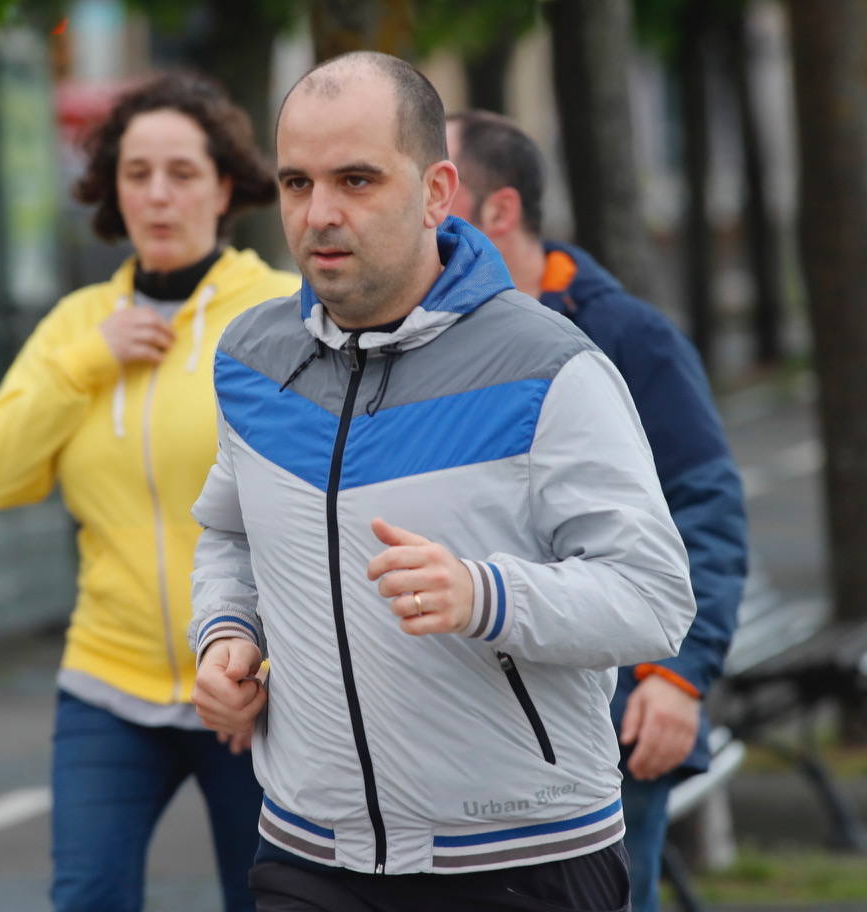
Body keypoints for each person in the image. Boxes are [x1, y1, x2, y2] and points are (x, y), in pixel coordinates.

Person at [188, 51, 697, 912]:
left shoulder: (549, 366)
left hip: (522, 859)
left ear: (435, 193)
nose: (320, 213)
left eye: (356, 180)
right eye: (297, 183)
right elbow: (232, 534)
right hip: (307, 851)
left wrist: (484, 595)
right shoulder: (251, 360)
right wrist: (226, 632)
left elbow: (654, 599)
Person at [0, 73, 299, 912]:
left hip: (254, 685)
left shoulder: (280, 312)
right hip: (108, 681)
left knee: (268, 901)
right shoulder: (78, 325)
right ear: (112, 190)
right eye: (137, 173)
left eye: (182, 173)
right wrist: (88, 363)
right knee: (87, 897)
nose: (158, 195)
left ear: (225, 187)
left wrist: (260, 658)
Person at [446, 109, 749, 912]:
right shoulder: (428, 340)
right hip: (471, 720)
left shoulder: (627, 336)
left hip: (614, 715)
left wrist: (678, 677)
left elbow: (707, 509)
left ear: (499, 210)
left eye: (437, 185)